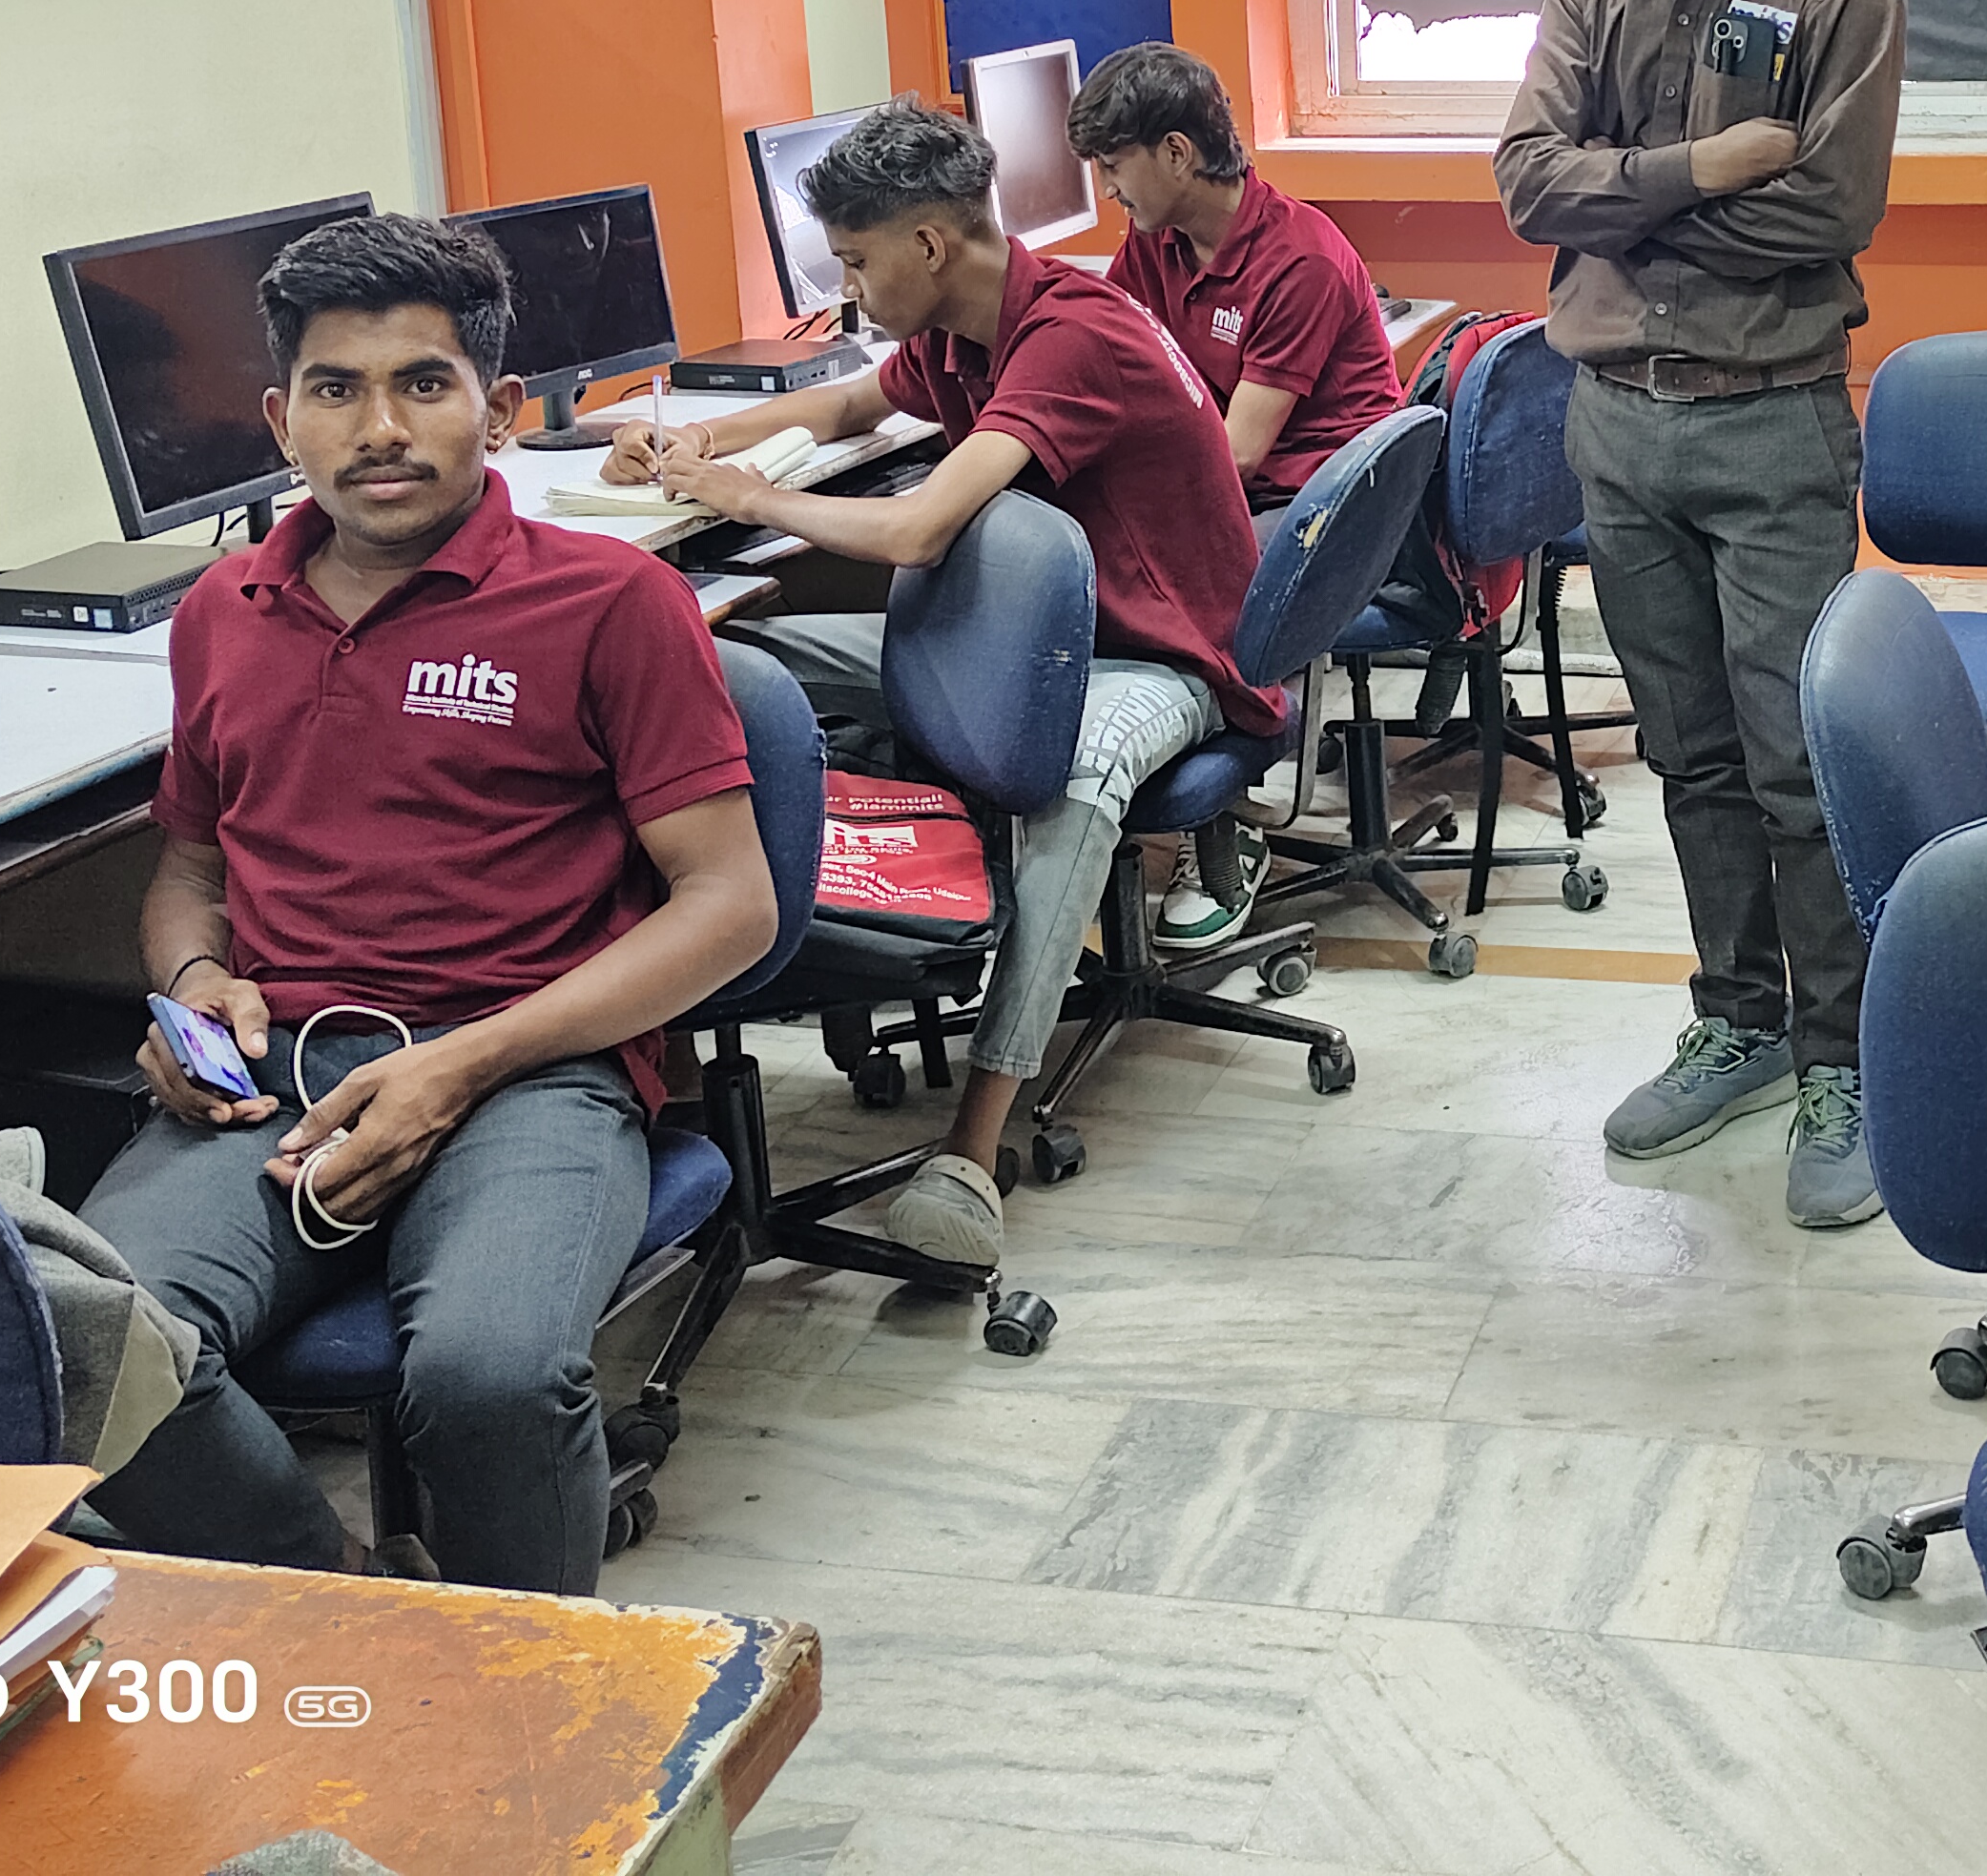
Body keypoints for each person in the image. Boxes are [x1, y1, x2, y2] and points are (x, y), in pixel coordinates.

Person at [82, 215, 777, 1598]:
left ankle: (533, 1694)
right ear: (282, 420)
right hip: (282, 1073)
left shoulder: (612, 601)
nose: (380, 429)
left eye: (422, 384)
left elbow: (732, 905)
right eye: (337, 390)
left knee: (489, 1378)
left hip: (533, 1066)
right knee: (82, 1339)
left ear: (499, 409)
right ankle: (357, 1600)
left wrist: (459, 1067)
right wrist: (194, 987)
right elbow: (192, 870)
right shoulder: (222, 611)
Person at [630, 98, 1270, 1272]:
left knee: (1075, 777)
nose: (846, 289)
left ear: (928, 246)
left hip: (1167, 650)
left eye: (856, 262)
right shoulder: (965, 323)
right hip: (1022, 634)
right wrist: (701, 446)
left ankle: (976, 1139)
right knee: (727, 663)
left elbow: (919, 529)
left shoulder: (1069, 334)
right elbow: (846, 404)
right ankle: (673, 1040)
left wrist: (749, 500)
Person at [1495, 0, 1906, 1230]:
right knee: (1691, 752)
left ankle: (1842, 1057)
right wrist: (1708, 163)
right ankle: (1740, 1018)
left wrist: (1627, 198)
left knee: (1801, 760)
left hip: (1770, 421)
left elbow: (1829, 209)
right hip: (1617, 426)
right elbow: (1527, 184)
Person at [1071, 39, 1406, 944]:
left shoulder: (1297, 259)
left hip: (1327, 511)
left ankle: (1223, 830)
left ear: (1178, 154)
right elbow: (1104, 346)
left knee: (1179, 596)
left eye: (1115, 165)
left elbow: (1237, 454)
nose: (1108, 189)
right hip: (1249, 492)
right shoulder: (1159, 243)